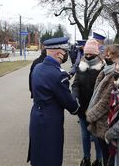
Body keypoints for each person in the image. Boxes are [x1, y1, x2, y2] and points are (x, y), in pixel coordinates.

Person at [27, 36, 80, 166]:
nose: (65, 55)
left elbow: (48, 83)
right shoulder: (58, 75)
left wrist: (67, 75)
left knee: (38, 153)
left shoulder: (38, 67)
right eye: (64, 52)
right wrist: (76, 97)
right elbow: (72, 106)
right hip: (51, 121)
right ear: (58, 53)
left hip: (36, 116)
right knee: (52, 156)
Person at [86, 44, 119, 166]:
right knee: (105, 156)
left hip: (107, 124)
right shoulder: (105, 71)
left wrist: (90, 115)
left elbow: (106, 101)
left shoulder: (116, 74)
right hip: (100, 123)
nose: (107, 57)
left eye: (110, 55)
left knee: (109, 157)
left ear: (118, 58)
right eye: (107, 54)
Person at [72, 39, 104, 166]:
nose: (88, 56)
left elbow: (103, 93)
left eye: (91, 54)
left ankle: (99, 160)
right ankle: (86, 159)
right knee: (85, 136)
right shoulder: (81, 67)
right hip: (82, 108)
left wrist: (96, 108)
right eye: (87, 53)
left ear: (97, 53)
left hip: (96, 110)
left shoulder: (102, 69)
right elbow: (75, 84)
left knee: (96, 137)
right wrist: (75, 96)